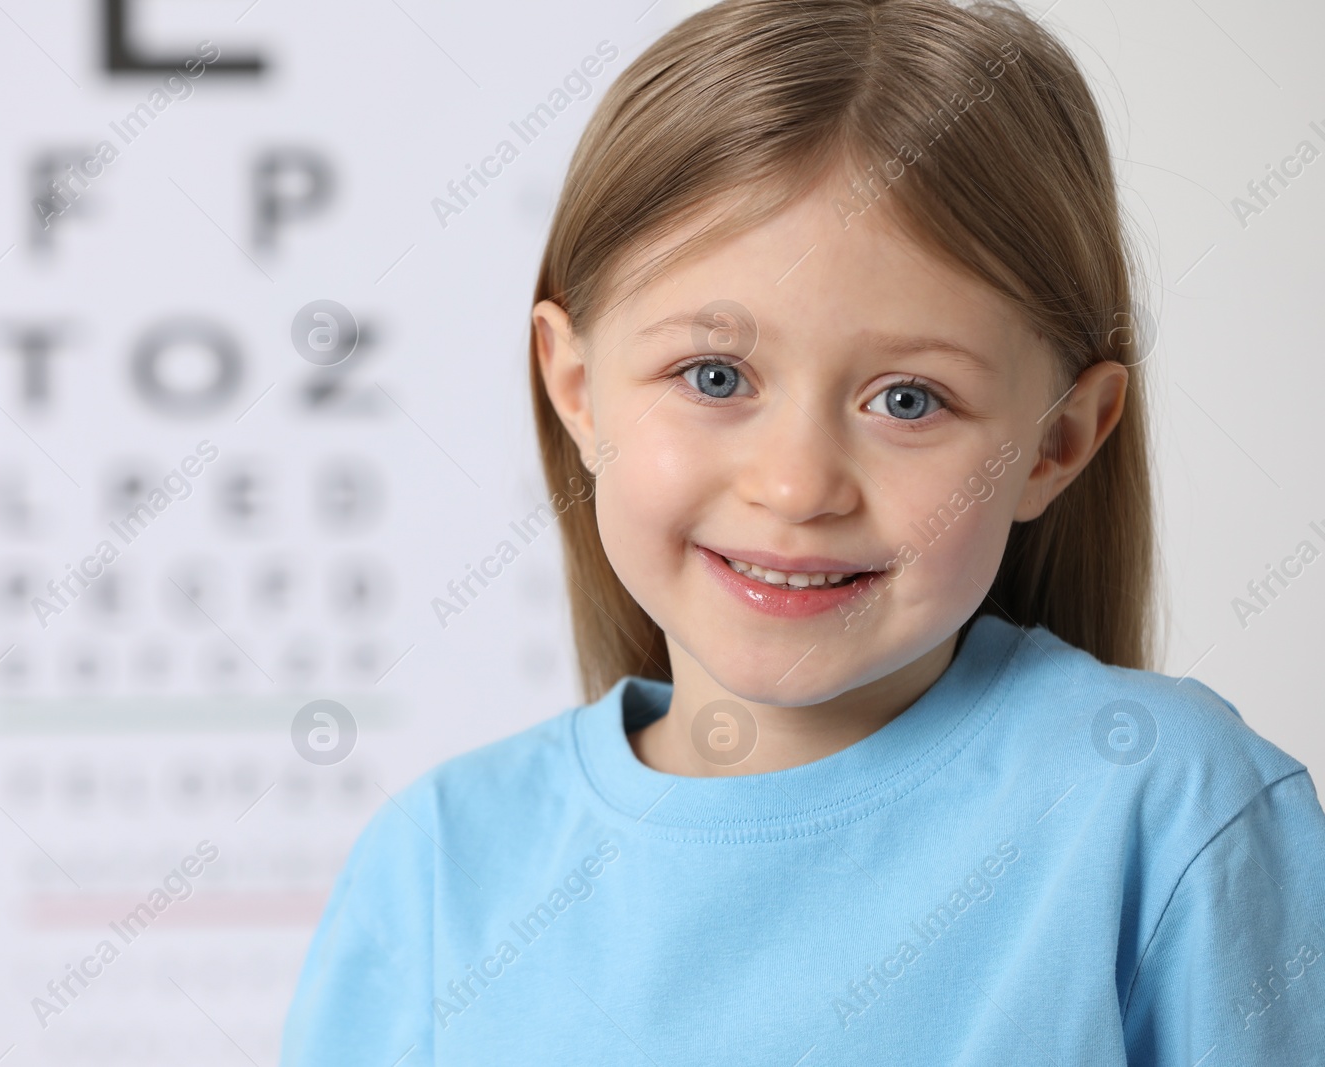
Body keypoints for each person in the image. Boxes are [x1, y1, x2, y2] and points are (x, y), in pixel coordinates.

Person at [281, 0, 1325, 1062]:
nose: (795, 487)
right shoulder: (436, 865)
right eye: (715, 376)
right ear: (578, 388)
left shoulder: (1167, 807)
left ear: (1056, 442)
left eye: (908, 400)